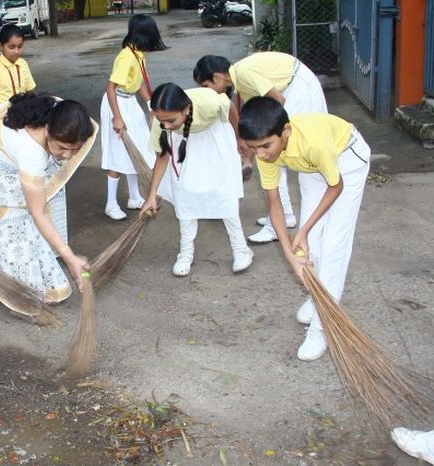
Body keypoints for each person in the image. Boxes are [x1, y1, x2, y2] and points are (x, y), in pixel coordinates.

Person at [238, 96, 370, 361]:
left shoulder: (312, 143)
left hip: (346, 160)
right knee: (310, 250)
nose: (261, 154)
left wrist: (304, 230)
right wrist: (290, 252)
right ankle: (319, 295)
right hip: (311, 168)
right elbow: (274, 204)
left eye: (265, 146)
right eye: (254, 148)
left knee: (333, 245)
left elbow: (336, 186)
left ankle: (323, 326)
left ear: (285, 131)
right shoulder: (268, 151)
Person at [0, 93, 97, 310]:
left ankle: (46, 251)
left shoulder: (61, 111)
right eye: (61, 147)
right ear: (48, 131)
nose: (67, 155)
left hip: (4, 142)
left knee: (48, 194)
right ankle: (12, 281)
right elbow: (37, 211)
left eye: (74, 149)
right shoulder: (30, 150)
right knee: (13, 217)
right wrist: (71, 258)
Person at [194, 52, 328, 244]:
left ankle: (276, 226)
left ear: (217, 77)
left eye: (207, 86)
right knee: (272, 156)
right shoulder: (238, 78)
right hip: (295, 88)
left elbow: (278, 100)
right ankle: (286, 215)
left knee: (274, 158)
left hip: (298, 91)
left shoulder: (242, 72)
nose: (208, 92)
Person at [140, 83, 253, 276]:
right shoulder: (163, 122)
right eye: (161, 121)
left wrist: (239, 137)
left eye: (170, 120)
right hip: (184, 146)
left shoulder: (209, 102)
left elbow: (230, 107)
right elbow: (162, 157)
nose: (165, 125)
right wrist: (151, 196)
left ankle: (241, 249)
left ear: (186, 109)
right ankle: (185, 253)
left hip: (215, 139)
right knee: (184, 192)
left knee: (223, 192)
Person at [101, 14, 166, 221]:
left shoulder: (138, 54)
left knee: (137, 148)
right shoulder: (126, 56)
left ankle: (134, 196)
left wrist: (150, 106)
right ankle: (111, 204)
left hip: (129, 101)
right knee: (118, 153)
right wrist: (117, 118)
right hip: (116, 103)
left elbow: (139, 84)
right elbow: (110, 87)